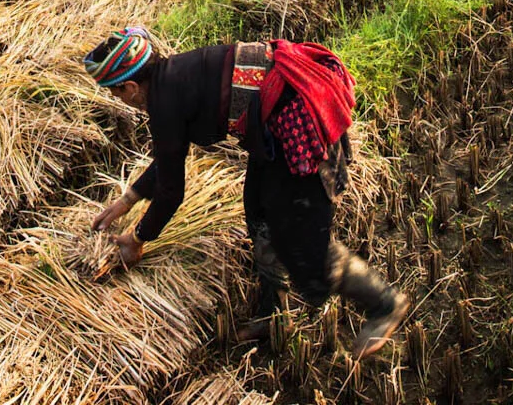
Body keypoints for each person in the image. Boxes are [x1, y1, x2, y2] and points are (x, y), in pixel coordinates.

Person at [84, 26, 405, 358]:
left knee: (300, 239)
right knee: (259, 211)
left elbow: (171, 191)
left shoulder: (165, 100)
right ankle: (274, 315)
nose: (120, 101)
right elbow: (168, 159)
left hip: (298, 125)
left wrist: (137, 240)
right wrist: (127, 201)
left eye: (116, 94)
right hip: (274, 128)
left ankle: (384, 303)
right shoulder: (171, 78)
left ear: (132, 86)